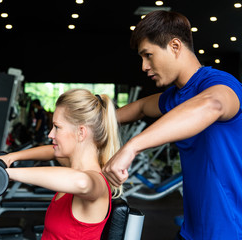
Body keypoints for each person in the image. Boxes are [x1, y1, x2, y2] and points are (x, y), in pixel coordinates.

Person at [102, 10, 242, 239]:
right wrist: (89, 120)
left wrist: (132, 147)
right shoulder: (175, 96)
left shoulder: (220, 84)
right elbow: (139, 108)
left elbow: (213, 104)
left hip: (230, 231)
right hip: (192, 231)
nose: (144, 66)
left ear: (175, 46)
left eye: (148, 55)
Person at [0, 89, 122, 239]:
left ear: (81, 133)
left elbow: (80, 182)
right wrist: (10, 157)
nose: (50, 134)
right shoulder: (73, 166)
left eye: (57, 127)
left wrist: (7, 174)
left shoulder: (97, 183)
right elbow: (51, 151)